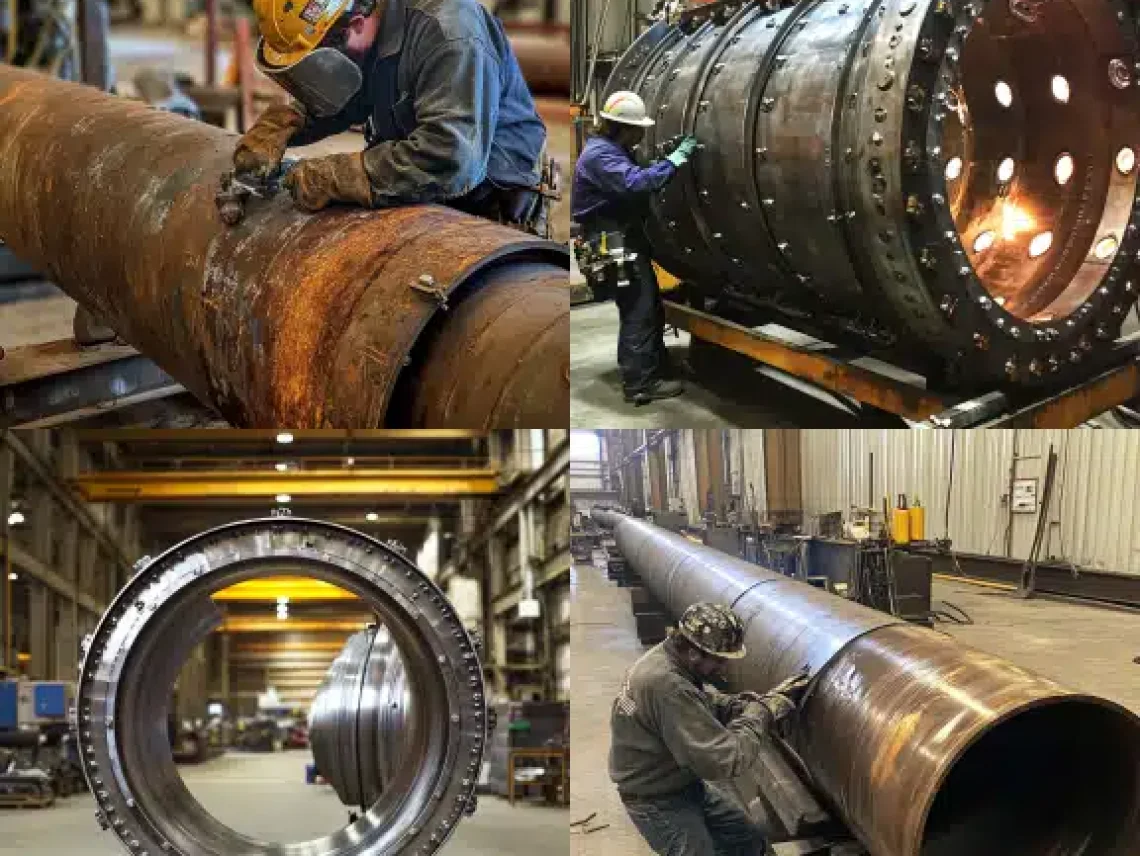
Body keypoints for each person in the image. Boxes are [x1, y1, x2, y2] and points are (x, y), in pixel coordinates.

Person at [233, 0, 548, 228]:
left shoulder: (451, 32)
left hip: (488, 205)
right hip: (422, 196)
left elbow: (451, 157)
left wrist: (338, 175)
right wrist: (287, 124)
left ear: (356, 23)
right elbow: (348, 91)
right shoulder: (369, 28)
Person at [610, 602, 811, 856]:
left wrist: (741, 705)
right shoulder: (667, 685)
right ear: (695, 653)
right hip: (657, 799)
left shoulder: (668, 658)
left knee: (747, 842)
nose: (723, 669)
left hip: (681, 784)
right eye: (719, 660)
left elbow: (697, 702)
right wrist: (761, 713)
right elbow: (724, 760)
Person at [572, 90, 697, 404]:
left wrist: (662, 161)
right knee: (638, 311)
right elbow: (636, 183)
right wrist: (674, 162)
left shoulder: (610, 150)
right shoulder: (601, 156)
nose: (642, 134)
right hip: (612, 242)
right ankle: (640, 384)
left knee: (648, 306)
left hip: (621, 239)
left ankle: (654, 367)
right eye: (638, 128)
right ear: (623, 128)